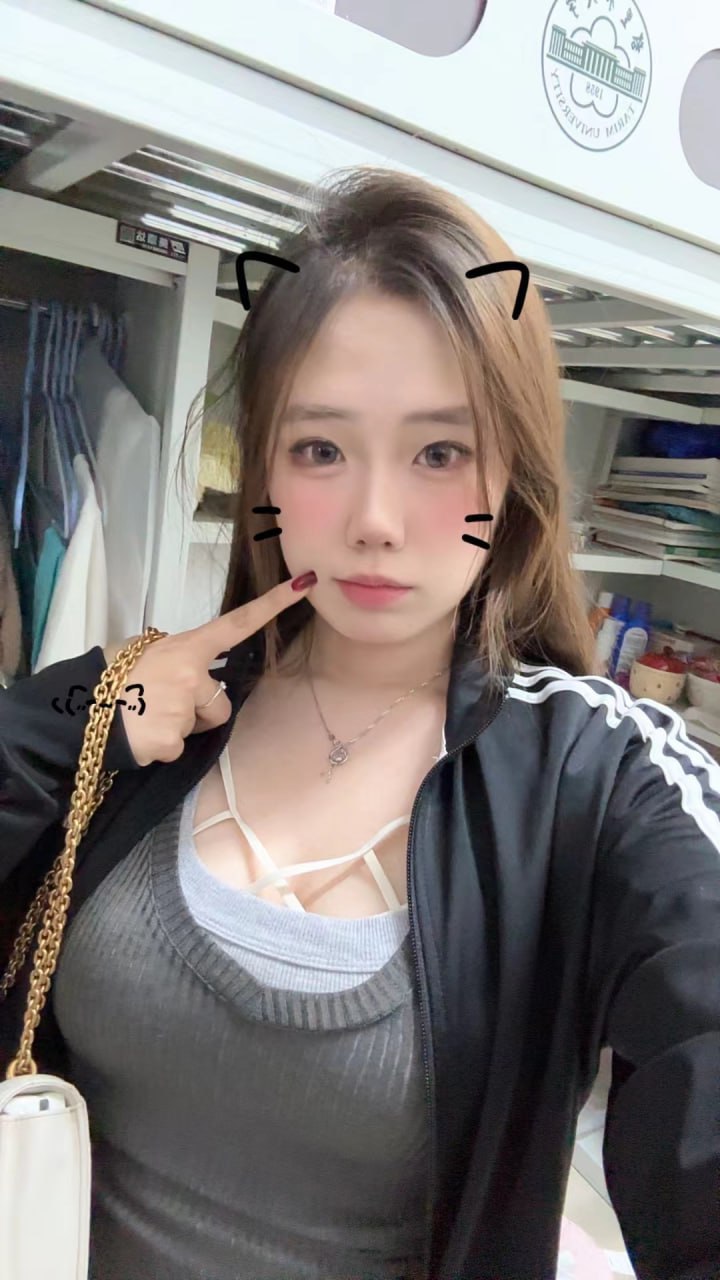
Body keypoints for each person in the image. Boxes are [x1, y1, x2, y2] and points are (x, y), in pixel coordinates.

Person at [0, 166, 718, 1280]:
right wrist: (73, 724)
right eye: (321, 449)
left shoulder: (597, 771)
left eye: (439, 452)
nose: (375, 521)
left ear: (513, 474)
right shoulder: (151, 701)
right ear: (264, 468)